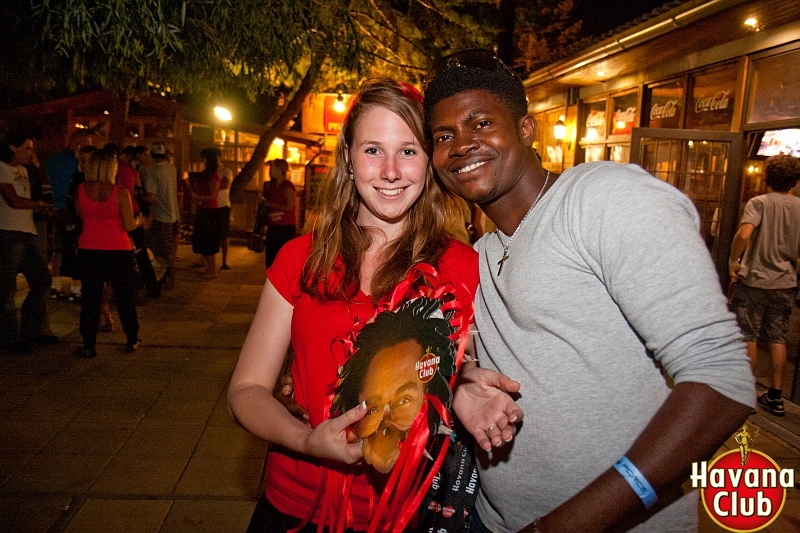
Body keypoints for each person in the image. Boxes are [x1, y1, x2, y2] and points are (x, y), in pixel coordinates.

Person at [423, 49, 754, 533]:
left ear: (527, 129)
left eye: (480, 123)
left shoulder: (602, 197)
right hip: (491, 523)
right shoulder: (481, 254)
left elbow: (722, 380)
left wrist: (562, 527)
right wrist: (464, 379)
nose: (461, 145)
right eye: (444, 136)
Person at [227, 79, 478, 532]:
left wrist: (474, 388)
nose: (390, 171)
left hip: (408, 514)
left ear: (429, 162)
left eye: (408, 151)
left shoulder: (461, 267)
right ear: (347, 158)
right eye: (372, 150)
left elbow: (466, 381)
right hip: (292, 507)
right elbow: (245, 391)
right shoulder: (299, 258)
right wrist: (306, 440)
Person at [729, 154, 800, 417]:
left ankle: (747, 394)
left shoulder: (758, 203)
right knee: (777, 336)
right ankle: (776, 395)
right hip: (785, 283)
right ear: (794, 181)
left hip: (755, 281)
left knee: (749, 334)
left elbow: (744, 233)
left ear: (768, 177)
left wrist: (733, 260)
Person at [74, 148, 143, 358]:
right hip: (118, 248)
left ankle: (88, 344)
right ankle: (132, 339)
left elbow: (81, 215)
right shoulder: (120, 192)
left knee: (90, 297)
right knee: (124, 296)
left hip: (89, 246)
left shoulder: (81, 190)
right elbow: (129, 225)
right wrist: (140, 219)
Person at [0, 133, 57, 353]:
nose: (31, 153)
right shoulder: (2, 169)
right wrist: (39, 204)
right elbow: (13, 200)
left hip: (27, 232)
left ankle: (31, 329)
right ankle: (10, 338)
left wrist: (36, 167)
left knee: (42, 280)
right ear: (13, 148)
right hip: (7, 233)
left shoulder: (24, 170)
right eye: (27, 148)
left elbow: (33, 192)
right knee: (6, 289)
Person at [44, 131, 89, 299]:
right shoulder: (76, 163)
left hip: (58, 206)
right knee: (78, 247)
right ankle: (77, 287)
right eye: (86, 143)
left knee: (59, 247)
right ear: (77, 142)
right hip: (73, 209)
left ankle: (55, 285)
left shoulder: (52, 160)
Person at [119, 145, 160, 298]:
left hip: (129, 212)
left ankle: (142, 286)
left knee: (136, 251)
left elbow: (136, 192)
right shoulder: (131, 170)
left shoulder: (127, 170)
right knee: (140, 252)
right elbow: (138, 192)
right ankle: (150, 286)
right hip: (134, 211)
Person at [140, 142, 179, 290]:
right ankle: (163, 276)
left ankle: (170, 276)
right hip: (174, 213)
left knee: (160, 248)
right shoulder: (171, 168)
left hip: (160, 215)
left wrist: (138, 196)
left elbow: (150, 196)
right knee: (164, 248)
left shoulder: (152, 172)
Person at [190, 148, 222, 279]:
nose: (202, 160)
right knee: (201, 241)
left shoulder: (213, 174)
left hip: (209, 211)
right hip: (202, 209)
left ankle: (212, 269)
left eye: (203, 158)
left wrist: (198, 198)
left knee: (208, 241)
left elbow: (213, 195)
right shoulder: (205, 173)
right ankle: (209, 267)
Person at [260, 158, 297, 269]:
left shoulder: (287, 186)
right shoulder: (270, 185)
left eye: (272, 168)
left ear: (280, 170)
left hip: (285, 226)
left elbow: (289, 207)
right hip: (273, 225)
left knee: (283, 257)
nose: (270, 171)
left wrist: (270, 204)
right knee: (270, 257)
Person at [217, 155, 233, 270]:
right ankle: (204, 259)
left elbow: (224, 185)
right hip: (211, 205)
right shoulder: (207, 171)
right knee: (209, 233)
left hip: (223, 205)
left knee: (223, 234)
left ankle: (224, 260)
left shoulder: (226, 171)